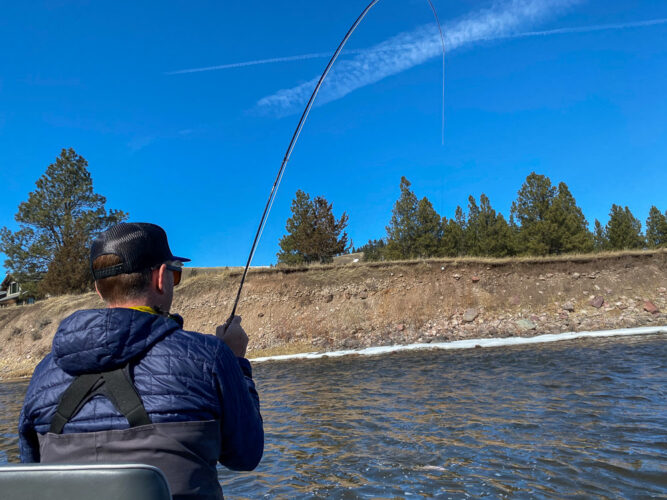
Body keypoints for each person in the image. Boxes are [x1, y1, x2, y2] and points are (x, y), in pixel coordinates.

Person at [18, 222, 263, 500]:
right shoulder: (210, 356)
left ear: (100, 290)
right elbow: (246, 456)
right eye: (175, 274)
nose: (173, 281)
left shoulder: (42, 375)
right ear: (161, 277)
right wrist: (237, 363)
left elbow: (32, 472)